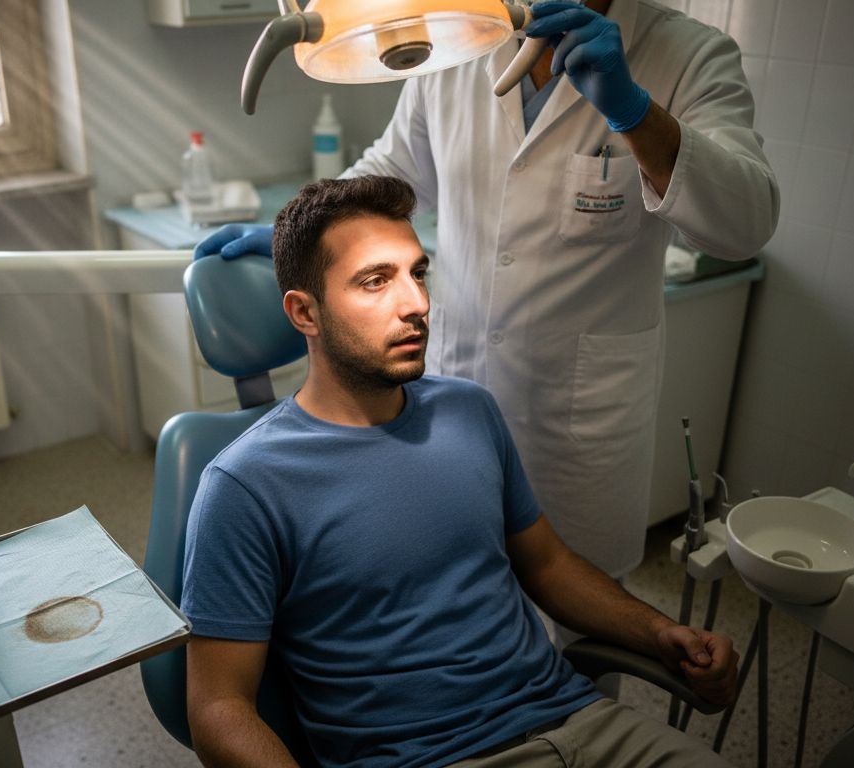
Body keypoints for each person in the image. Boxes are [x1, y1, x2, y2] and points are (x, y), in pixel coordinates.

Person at [195, 0, 780, 626]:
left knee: (585, 623)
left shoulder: (688, 55)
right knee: (449, 590)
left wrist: (637, 115)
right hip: (457, 394)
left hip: (577, 423)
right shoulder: (457, 32)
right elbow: (396, 170)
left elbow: (744, 224)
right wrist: (303, 234)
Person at [181, 176, 738, 768]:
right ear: (304, 312)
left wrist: (659, 632)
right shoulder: (246, 485)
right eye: (375, 280)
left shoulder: (468, 411)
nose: (416, 303)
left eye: (417, 273)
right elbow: (219, 707)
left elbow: (547, 564)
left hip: (583, 720)